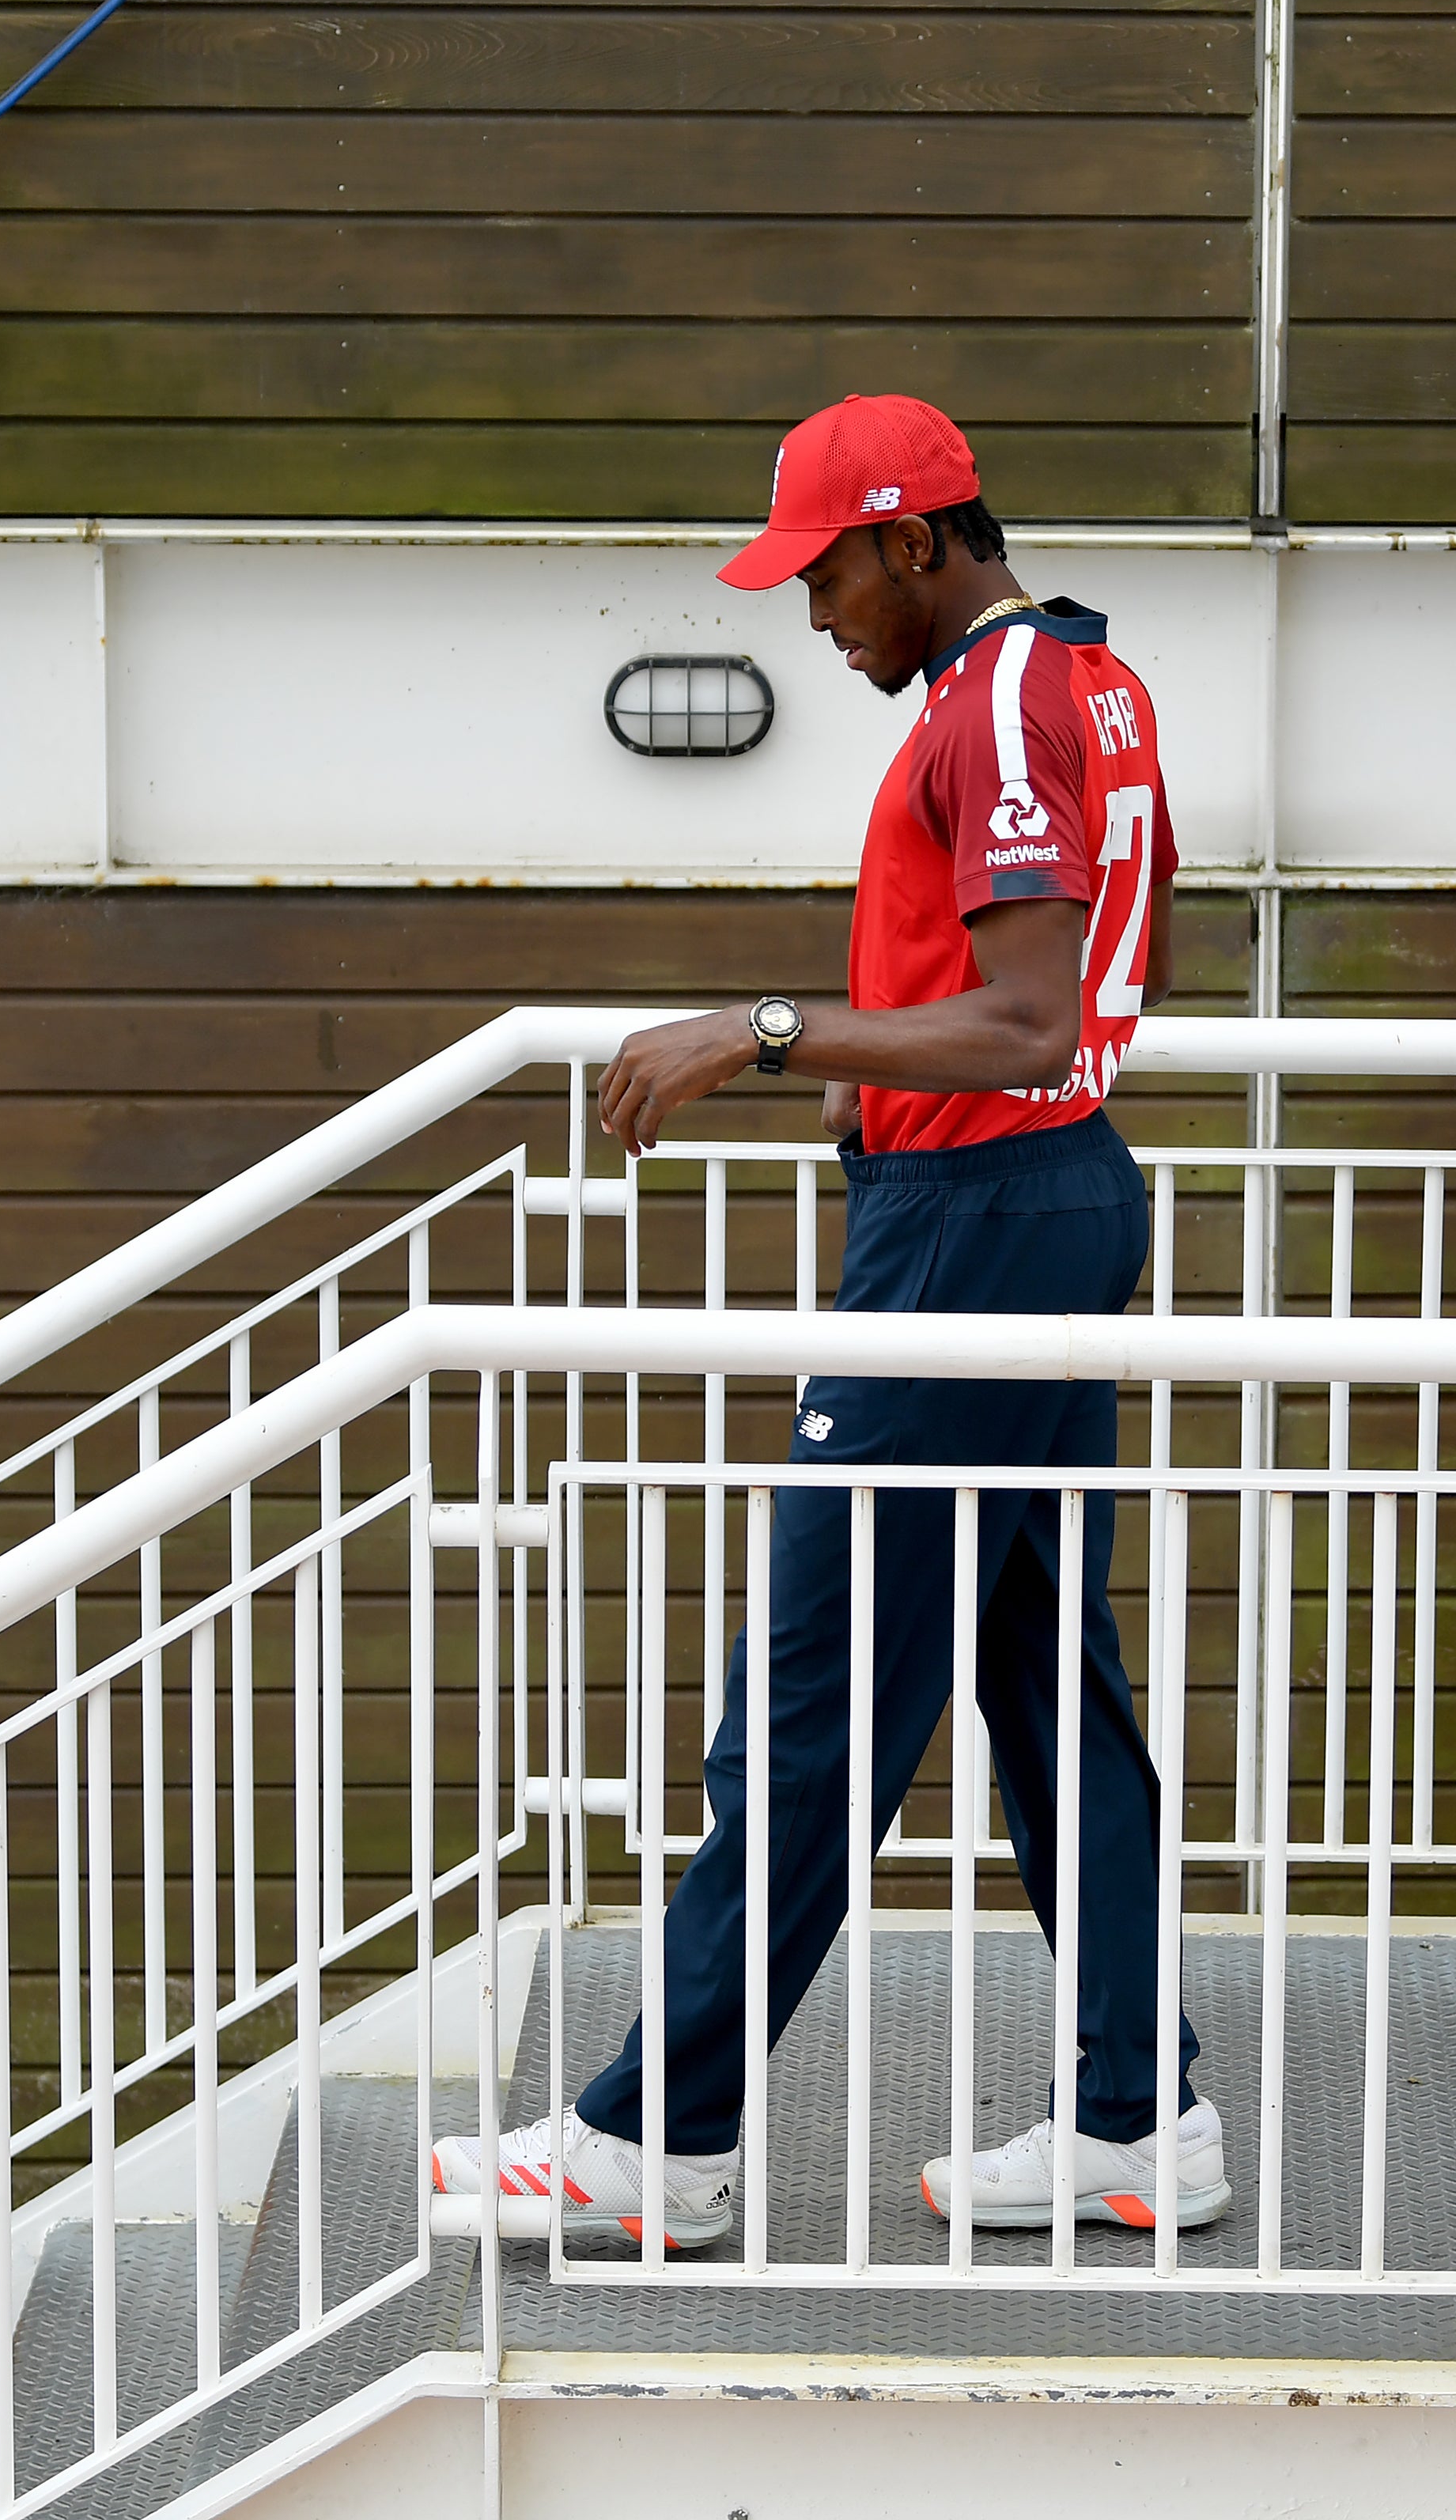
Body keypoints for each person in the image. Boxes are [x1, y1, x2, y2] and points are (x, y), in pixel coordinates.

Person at [424, 393, 1221, 2239]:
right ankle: (1137, 2114)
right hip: (1036, 1188)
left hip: (979, 1218)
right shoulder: (1092, 681)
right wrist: (929, 1101)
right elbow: (1124, 971)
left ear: (916, 540)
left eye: (829, 572)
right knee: (1040, 1684)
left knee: (816, 1698)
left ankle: (656, 2144)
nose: (814, 615)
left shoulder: (1004, 703)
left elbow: (1030, 1016)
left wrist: (768, 1032)